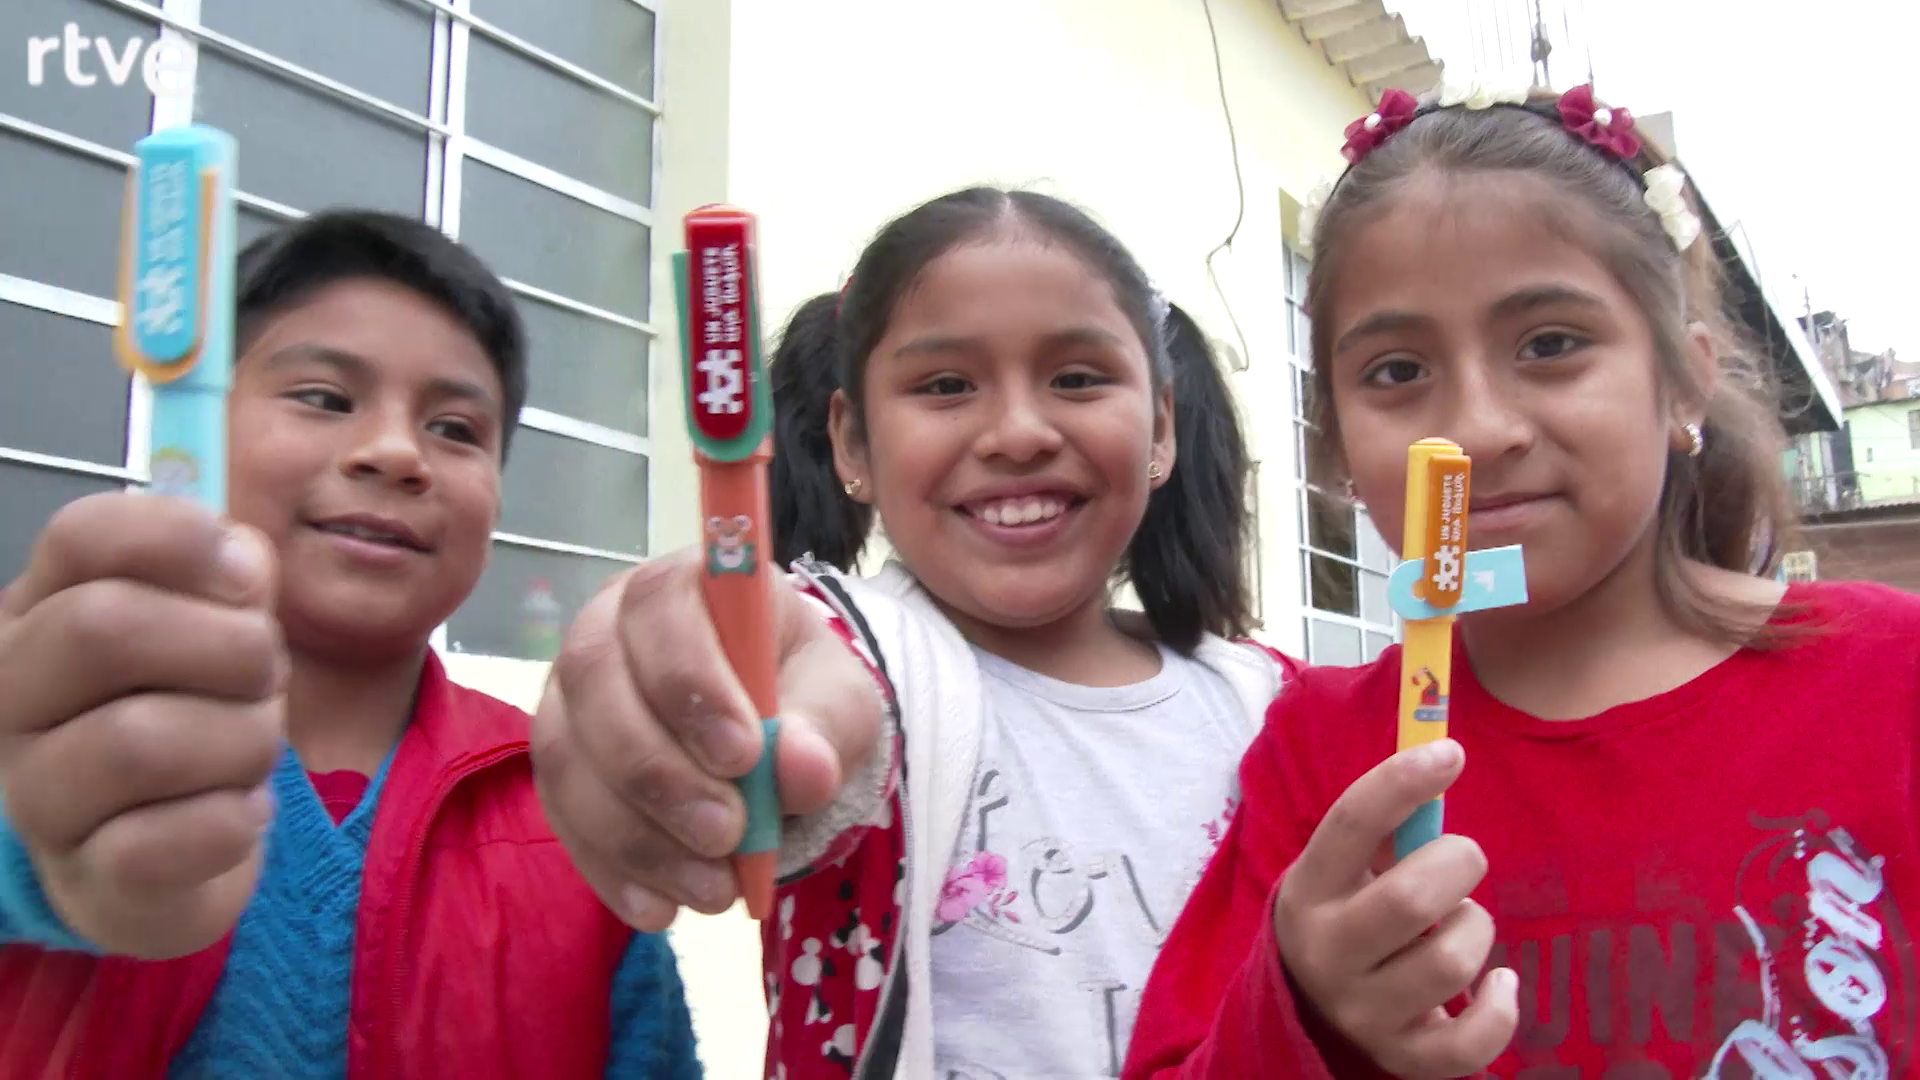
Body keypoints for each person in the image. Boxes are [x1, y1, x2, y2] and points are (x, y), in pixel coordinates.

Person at [1122, 83, 1920, 1079]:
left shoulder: (1890, 679)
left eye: (1550, 345)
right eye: (1398, 371)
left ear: (1684, 379)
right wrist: (1304, 1012)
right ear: (1334, 441)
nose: (1477, 429)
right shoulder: (1319, 754)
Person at [532, 186, 1300, 1078]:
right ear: (852, 444)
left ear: (1160, 426)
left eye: (1077, 379)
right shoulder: (862, 655)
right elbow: (811, 679)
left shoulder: (1266, 702)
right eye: (945, 386)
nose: (1018, 433)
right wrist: (708, 678)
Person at [0, 210, 701, 1078]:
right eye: (326, 398)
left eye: (456, 429)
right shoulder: (45, 724)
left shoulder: (572, 805)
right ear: (202, 423)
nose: (396, 453)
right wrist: (38, 849)